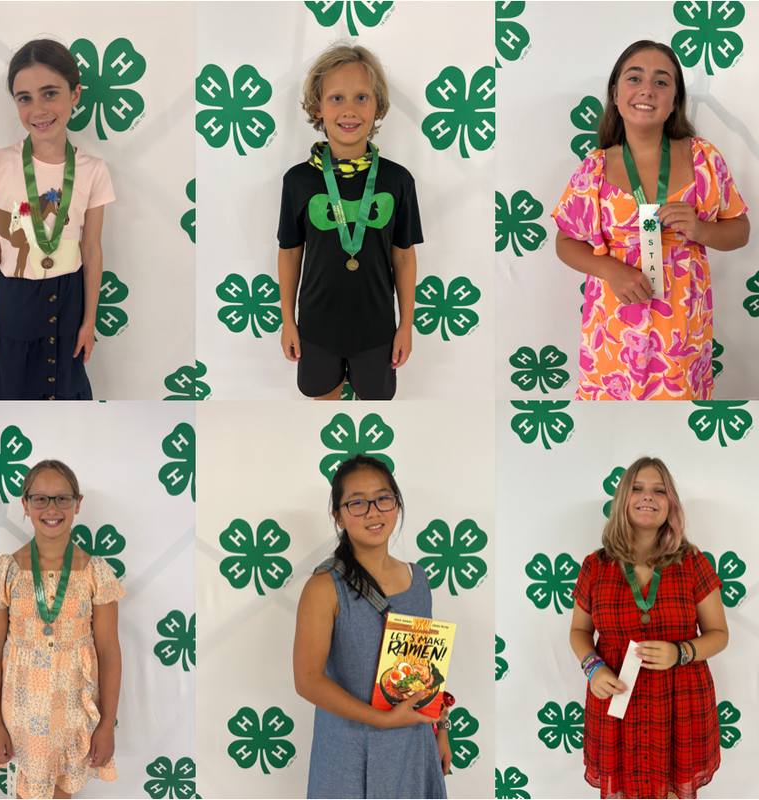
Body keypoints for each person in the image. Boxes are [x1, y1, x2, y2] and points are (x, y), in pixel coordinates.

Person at [552, 41, 749, 400]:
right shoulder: (593, 170)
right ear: (615, 93)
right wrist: (611, 271)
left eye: (662, 82)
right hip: (613, 330)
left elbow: (740, 229)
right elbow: (564, 242)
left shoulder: (704, 158)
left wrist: (703, 230)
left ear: (675, 99)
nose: (647, 89)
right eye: (635, 78)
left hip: (682, 332)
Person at [569, 457, 729, 799]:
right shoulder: (595, 566)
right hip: (616, 699)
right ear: (623, 499)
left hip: (680, 703)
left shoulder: (693, 562)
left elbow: (719, 635)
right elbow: (579, 632)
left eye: (659, 490)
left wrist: (681, 651)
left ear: (670, 503)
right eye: (638, 489)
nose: (648, 497)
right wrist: (592, 667)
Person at [293, 454, 450, 798]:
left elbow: (423, 668)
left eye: (383, 498)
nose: (374, 511)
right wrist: (383, 720)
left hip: (413, 745)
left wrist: (441, 729)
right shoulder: (324, 586)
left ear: (396, 502)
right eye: (357, 503)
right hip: (349, 752)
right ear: (338, 516)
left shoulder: (418, 579)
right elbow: (307, 681)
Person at [278, 43, 422, 400]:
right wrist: (288, 321)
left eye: (362, 97)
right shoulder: (298, 181)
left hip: (377, 331)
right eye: (336, 98)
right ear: (317, 107)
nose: (350, 110)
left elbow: (403, 256)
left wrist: (406, 325)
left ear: (378, 107)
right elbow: (290, 253)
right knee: (322, 401)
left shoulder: (397, 180)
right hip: (315, 328)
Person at [0, 39, 114, 400]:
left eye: (50, 93)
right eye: (25, 98)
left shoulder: (93, 171)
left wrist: (89, 322)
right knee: (11, 389)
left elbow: (92, 250)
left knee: (62, 390)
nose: (38, 109)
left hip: (69, 299)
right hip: (14, 300)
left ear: (75, 94)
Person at [0, 460, 124, 798]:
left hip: (75, 704)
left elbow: (109, 652)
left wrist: (107, 725)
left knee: (62, 792)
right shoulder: (7, 571)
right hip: (23, 710)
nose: (52, 508)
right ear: (25, 505)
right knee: (28, 791)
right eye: (40, 499)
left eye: (62, 498)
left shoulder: (96, 573)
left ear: (77, 503)